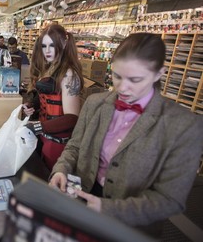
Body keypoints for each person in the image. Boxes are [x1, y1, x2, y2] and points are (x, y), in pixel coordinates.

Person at [49, 33, 203, 238]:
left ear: (159, 74)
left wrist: (109, 209)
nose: (122, 88)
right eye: (117, 76)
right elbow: (75, 146)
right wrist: (61, 169)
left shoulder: (184, 126)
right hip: (80, 205)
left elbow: (170, 199)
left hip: (131, 226)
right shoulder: (95, 103)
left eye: (135, 79)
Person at [23, 24, 84, 170]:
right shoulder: (51, 66)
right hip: (45, 137)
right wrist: (33, 106)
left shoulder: (69, 74)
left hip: (58, 143)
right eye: (44, 46)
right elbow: (50, 96)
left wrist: (38, 126)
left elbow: (72, 117)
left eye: (52, 45)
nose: (47, 50)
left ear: (63, 43)